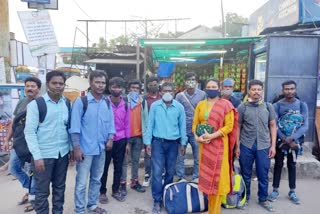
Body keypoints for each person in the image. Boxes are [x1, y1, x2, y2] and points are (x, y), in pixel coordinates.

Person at [24, 71, 72, 214]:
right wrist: (37, 157)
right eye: (54, 83)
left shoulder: (67, 103)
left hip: (62, 154)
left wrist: (70, 149)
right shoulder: (37, 105)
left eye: (61, 83)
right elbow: (30, 132)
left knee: (59, 189)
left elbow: (67, 128)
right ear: (47, 84)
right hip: (43, 156)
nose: (58, 86)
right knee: (42, 192)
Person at [70, 71, 115, 214]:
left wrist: (110, 138)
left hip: (100, 148)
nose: (101, 85)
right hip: (85, 149)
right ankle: (79, 210)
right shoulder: (81, 102)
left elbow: (111, 123)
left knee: (97, 179)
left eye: (103, 83)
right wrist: (76, 147)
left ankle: (92, 205)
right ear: (91, 83)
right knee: (82, 182)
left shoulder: (106, 102)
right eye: (97, 82)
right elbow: (75, 127)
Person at [193, 78, 238, 214]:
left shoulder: (225, 104)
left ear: (218, 88)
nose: (211, 89)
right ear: (205, 89)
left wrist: (212, 136)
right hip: (204, 146)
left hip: (219, 146)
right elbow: (195, 124)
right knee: (207, 178)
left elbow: (229, 126)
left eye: (213, 86)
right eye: (208, 86)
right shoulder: (200, 104)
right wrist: (197, 137)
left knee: (217, 180)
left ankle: (215, 211)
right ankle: (211, 209)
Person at [144, 82, 187, 214]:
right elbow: (149, 125)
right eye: (165, 90)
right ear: (160, 92)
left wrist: (183, 143)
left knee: (170, 172)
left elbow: (182, 126)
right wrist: (147, 143)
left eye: (170, 90)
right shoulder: (155, 106)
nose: (168, 93)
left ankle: (166, 197)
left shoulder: (179, 107)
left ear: (174, 92)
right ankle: (157, 200)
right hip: (158, 143)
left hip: (173, 144)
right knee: (157, 172)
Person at [236, 79, 277, 212]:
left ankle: (263, 199)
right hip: (246, 145)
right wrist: (237, 147)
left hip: (264, 145)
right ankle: (245, 198)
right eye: (253, 89)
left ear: (262, 91)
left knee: (263, 174)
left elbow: (273, 126)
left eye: (259, 89)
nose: (256, 92)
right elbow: (238, 127)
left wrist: (273, 146)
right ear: (249, 91)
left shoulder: (268, 106)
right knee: (245, 174)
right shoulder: (243, 107)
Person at [2, 77, 41, 212]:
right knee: (13, 168)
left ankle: (34, 197)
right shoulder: (21, 102)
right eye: (27, 86)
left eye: (33, 86)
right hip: (19, 143)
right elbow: (14, 122)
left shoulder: (41, 104)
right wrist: (7, 140)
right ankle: (31, 190)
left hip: (34, 144)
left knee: (32, 172)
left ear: (38, 89)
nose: (30, 88)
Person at [268, 80, 308, 205]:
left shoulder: (302, 105)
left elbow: (305, 125)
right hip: (281, 141)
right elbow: (273, 124)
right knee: (278, 164)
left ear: (295, 90)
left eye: (291, 89)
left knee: (292, 165)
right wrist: (285, 138)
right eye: (286, 89)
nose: (289, 91)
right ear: (282, 90)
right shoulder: (277, 106)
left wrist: (293, 138)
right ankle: (275, 190)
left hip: (295, 142)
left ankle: (292, 191)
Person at [100, 77, 130, 202]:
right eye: (113, 87)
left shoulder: (126, 105)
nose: (116, 89)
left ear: (122, 89)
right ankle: (102, 192)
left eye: (118, 87)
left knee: (118, 166)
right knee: (104, 167)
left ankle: (116, 190)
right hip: (107, 140)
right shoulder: (104, 103)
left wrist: (128, 142)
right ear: (109, 88)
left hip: (121, 139)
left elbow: (128, 124)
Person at [175, 72, 205, 181]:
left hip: (197, 131)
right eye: (188, 79)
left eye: (193, 79)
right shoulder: (179, 96)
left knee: (198, 157)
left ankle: (196, 177)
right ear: (185, 82)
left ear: (196, 81)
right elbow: (176, 113)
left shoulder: (202, 95)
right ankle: (180, 177)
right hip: (183, 130)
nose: (191, 81)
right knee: (180, 156)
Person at [120, 79, 148, 195]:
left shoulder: (143, 102)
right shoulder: (124, 100)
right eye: (132, 88)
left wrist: (145, 137)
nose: (134, 90)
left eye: (137, 88)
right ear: (128, 89)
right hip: (126, 136)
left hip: (138, 136)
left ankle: (134, 182)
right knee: (124, 162)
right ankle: (122, 184)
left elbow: (145, 119)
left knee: (136, 161)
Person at [142, 76, 161, 187]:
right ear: (147, 86)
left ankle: (158, 175)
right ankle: (147, 175)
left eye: (155, 84)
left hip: (160, 131)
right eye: (151, 85)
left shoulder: (163, 98)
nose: (153, 86)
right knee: (148, 154)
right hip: (148, 131)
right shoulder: (144, 99)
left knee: (159, 154)